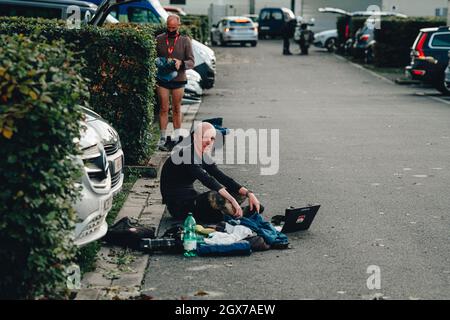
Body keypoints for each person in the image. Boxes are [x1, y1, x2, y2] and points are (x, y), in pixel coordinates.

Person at [160, 122, 263, 223]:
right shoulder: (186, 154)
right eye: (204, 137)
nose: (209, 142)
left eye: (212, 138)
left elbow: (222, 178)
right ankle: (232, 213)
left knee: (239, 191)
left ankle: (230, 212)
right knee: (213, 196)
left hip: (193, 198)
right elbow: (207, 180)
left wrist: (249, 194)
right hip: (179, 207)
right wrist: (232, 200)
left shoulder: (202, 155)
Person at [156, 14, 195, 151]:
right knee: (163, 108)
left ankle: (178, 138)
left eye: (173, 27)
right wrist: (161, 62)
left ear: (178, 26)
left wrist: (181, 63)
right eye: (168, 27)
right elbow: (153, 59)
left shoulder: (185, 41)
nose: (170, 29)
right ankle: (162, 138)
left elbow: (191, 61)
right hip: (163, 79)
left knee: (177, 109)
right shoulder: (159, 39)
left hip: (178, 79)